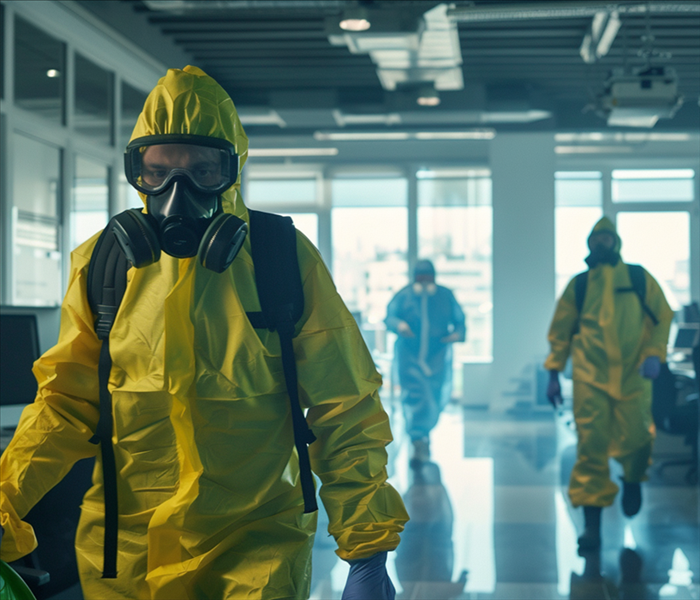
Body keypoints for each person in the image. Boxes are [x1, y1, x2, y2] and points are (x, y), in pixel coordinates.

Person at [0, 66, 408, 600]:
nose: (177, 191)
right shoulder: (104, 263)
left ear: (232, 171)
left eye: (202, 171)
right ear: (137, 172)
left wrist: (367, 548)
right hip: (125, 550)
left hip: (256, 548)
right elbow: (64, 403)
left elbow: (344, 404)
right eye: (157, 171)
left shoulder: (281, 259)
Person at [545, 217, 673, 551]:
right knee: (591, 449)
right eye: (596, 239)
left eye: (607, 238)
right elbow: (560, 333)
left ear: (616, 242)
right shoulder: (580, 284)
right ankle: (592, 528)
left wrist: (654, 353)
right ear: (589, 244)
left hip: (633, 377)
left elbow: (663, 316)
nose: (602, 244)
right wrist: (553, 374)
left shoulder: (638, 277)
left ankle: (632, 479)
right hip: (591, 379)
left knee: (638, 438)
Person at [385, 260, 466, 461]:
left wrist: (456, 334)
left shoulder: (445, 296)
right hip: (409, 356)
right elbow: (390, 317)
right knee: (416, 395)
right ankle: (418, 438)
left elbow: (460, 321)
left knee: (434, 396)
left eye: (427, 276)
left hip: (437, 356)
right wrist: (400, 325)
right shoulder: (403, 296)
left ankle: (423, 435)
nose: (423, 280)